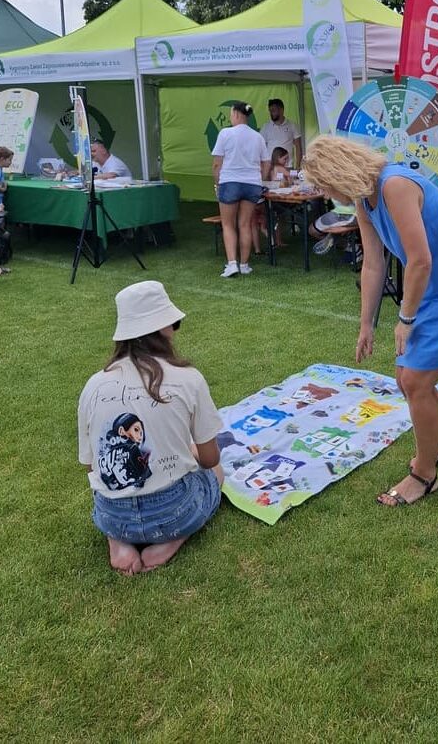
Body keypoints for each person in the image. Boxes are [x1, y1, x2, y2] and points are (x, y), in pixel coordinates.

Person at [301, 136, 438, 507]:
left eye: (324, 184)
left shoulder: (395, 185)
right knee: (407, 378)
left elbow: (420, 260)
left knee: (415, 380)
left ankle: (424, 474)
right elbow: (373, 264)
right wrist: (366, 324)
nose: (325, 193)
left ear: (338, 172)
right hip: (436, 293)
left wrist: (406, 318)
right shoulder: (364, 199)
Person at [77, 281, 224, 575]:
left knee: (113, 496)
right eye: (174, 324)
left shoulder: (93, 385)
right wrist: (190, 451)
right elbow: (210, 459)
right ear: (163, 328)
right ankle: (174, 539)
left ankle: (117, 540)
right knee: (215, 474)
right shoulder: (188, 378)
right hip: (174, 512)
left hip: (113, 515)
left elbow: (92, 466)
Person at [211, 101, 270, 277]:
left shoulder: (225, 133)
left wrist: (217, 183)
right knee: (245, 224)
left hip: (230, 181)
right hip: (252, 184)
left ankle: (232, 264)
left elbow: (217, 164)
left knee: (228, 224)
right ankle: (244, 264)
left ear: (236, 114)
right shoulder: (257, 136)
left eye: (231, 114)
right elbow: (266, 163)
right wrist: (260, 179)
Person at [261, 98, 302, 167]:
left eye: (273, 110)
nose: (271, 113)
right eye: (270, 111)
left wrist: (298, 166)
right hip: (271, 167)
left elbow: (298, 147)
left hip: (287, 167)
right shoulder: (265, 127)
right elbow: (261, 148)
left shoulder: (292, 125)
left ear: (281, 110)